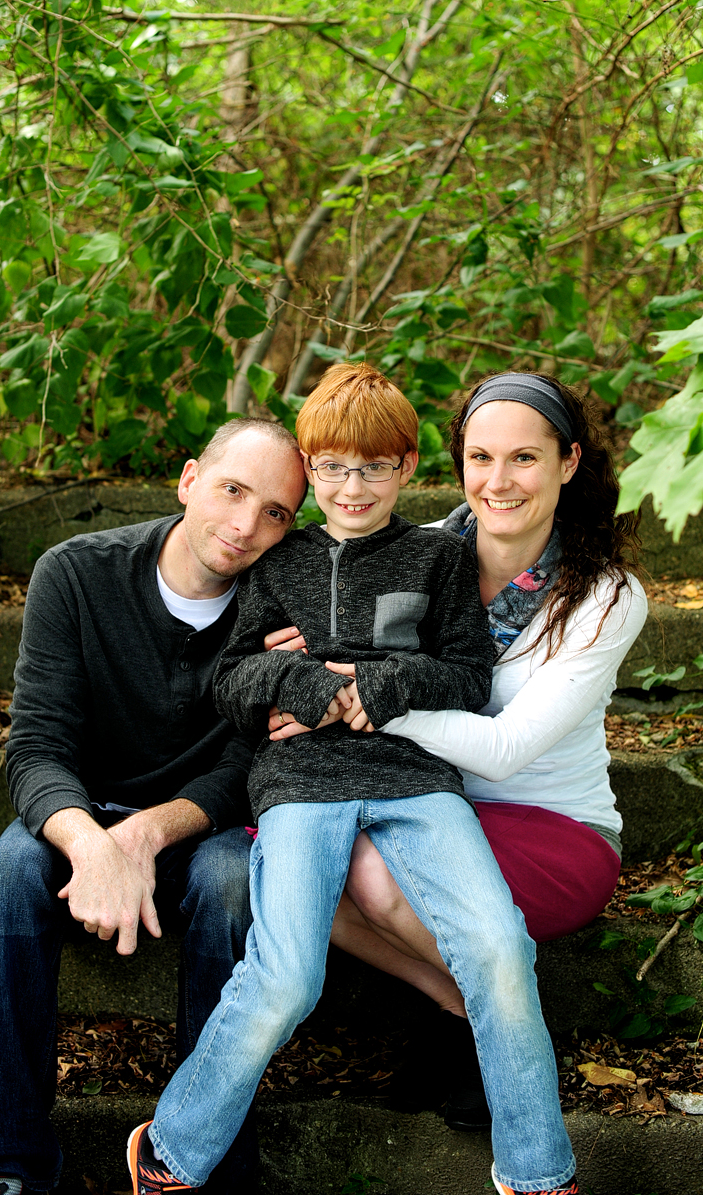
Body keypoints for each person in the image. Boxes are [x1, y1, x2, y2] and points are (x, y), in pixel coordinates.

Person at [126, 362, 578, 1195]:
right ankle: (173, 1150)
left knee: (499, 947)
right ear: (308, 467)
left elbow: (468, 676)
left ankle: (539, 1172)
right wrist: (303, 687)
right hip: (300, 785)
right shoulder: (279, 562)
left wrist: (378, 685)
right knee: (289, 972)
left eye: (373, 467)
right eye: (331, 467)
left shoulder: (438, 558)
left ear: (407, 467)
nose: (352, 486)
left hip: (416, 782)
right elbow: (231, 682)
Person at [271, 370, 648, 1152]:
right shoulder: (421, 557)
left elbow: (507, 749)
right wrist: (300, 664)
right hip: (422, 800)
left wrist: (368, 693)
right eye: (481, 457)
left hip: (550, 826)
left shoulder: (604, 596)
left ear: (569, 462)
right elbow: (337, 648)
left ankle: (485, 1033)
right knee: (280, 853)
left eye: (524, 458)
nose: (498, 481)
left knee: (366, 868)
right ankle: (473, 1007)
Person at [0, 419, 308, 1195]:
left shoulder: (284, 602)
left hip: (203, 826)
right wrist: (96, 845)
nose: (247, 524)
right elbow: (37, 746)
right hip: (78, 812)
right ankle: (4, 1165)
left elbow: (253, 763)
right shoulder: (76, 574)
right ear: (188, 479)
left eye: (277, 511)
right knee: (2, 879)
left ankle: (203, 1166)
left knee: (234, 886)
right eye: (232, 490)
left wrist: (147, 833)